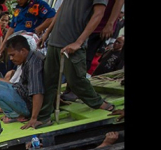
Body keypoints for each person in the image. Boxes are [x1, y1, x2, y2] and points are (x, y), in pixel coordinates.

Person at [32, 0, 116, 129]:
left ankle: (97, 102)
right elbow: (60, 11)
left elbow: (98, 14)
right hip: (55, 41)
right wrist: (48, 33)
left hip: (72, 40)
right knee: (48, 81)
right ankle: (44, 117)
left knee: (76, 80)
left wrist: (79, 42)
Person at [0, 34, 44, 127]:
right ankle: (14, 113)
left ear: (23, 51)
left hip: (28, 104)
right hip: (22, 93)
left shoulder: (34, 63)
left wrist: (33, 118)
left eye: (12, 55)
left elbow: (37, 91)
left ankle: (15, 116)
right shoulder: (28, 59)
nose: (11, 58)